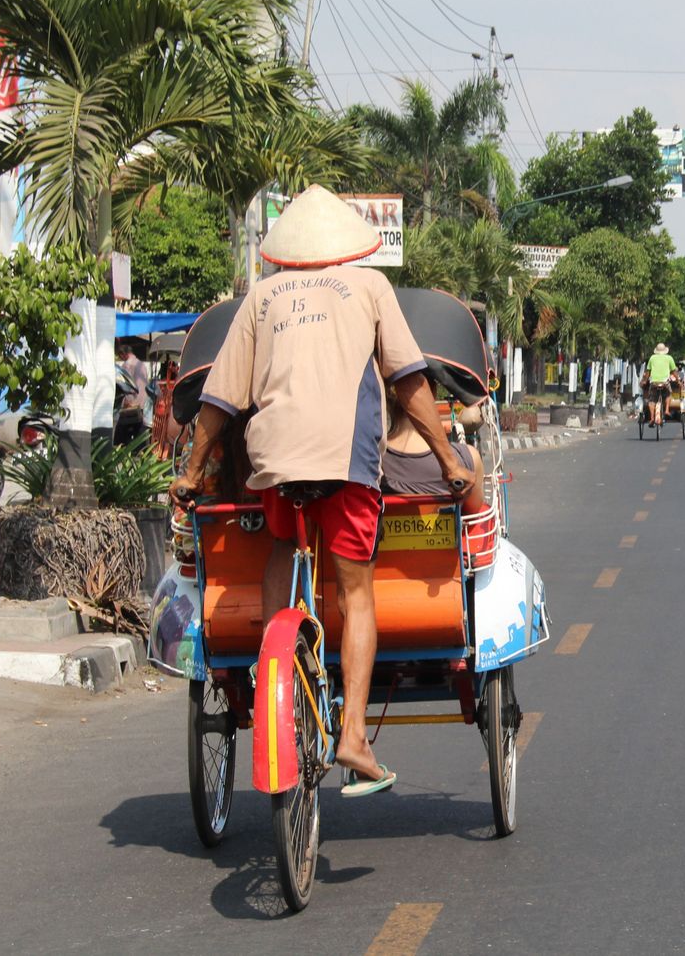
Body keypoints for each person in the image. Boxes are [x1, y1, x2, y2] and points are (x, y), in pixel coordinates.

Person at [168, 184, 475, 798]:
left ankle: (271, 669)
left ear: (288, 251)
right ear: (346, 246)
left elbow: (219, 399)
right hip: (346, 458)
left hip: (275, 457)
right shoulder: (368, 288)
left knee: (283, 540)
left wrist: (192, 471)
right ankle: (354, 736)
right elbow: (408, 381)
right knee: (356, 591)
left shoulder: (261, 295)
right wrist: (447, 459)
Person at [643, 342, 678, 426]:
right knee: (669, 394)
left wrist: (645, 380)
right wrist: (678, 380)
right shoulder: (669, 358)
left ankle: (651, 418)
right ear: (665, 351)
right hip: (665, 382)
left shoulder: (652, 358)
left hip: (654, 382)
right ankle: (666, 410)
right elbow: (674, 371)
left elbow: (648, 372)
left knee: (651, 400)